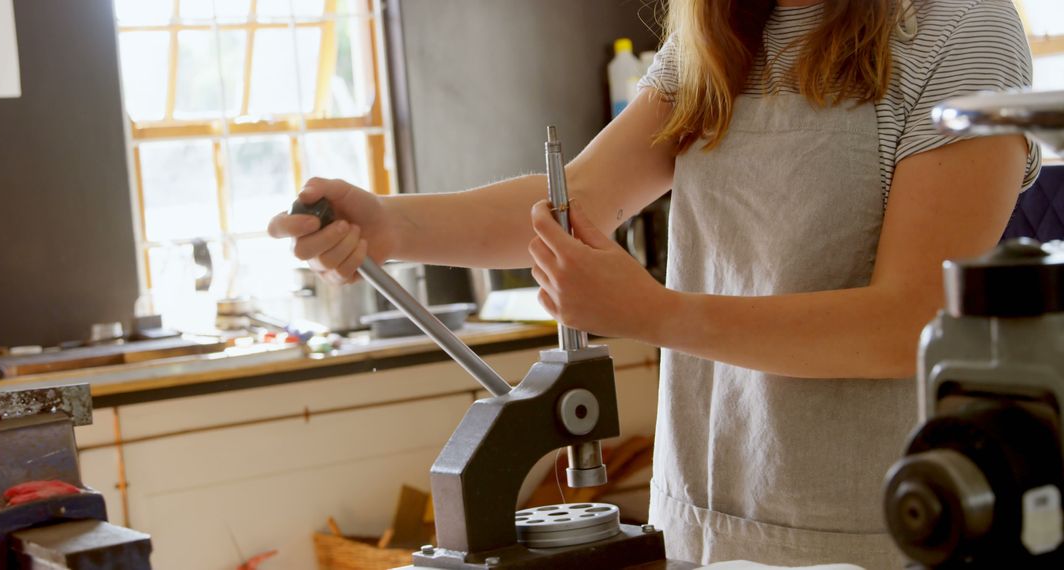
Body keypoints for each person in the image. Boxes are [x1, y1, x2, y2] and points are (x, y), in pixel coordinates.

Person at [268, 0, 1041, 567]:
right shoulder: (721, 33)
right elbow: (573, 202)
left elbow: (907, 323)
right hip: (701, 519)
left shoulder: (962, 30)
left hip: (874, 526)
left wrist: (651, 312)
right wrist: (389, 226)